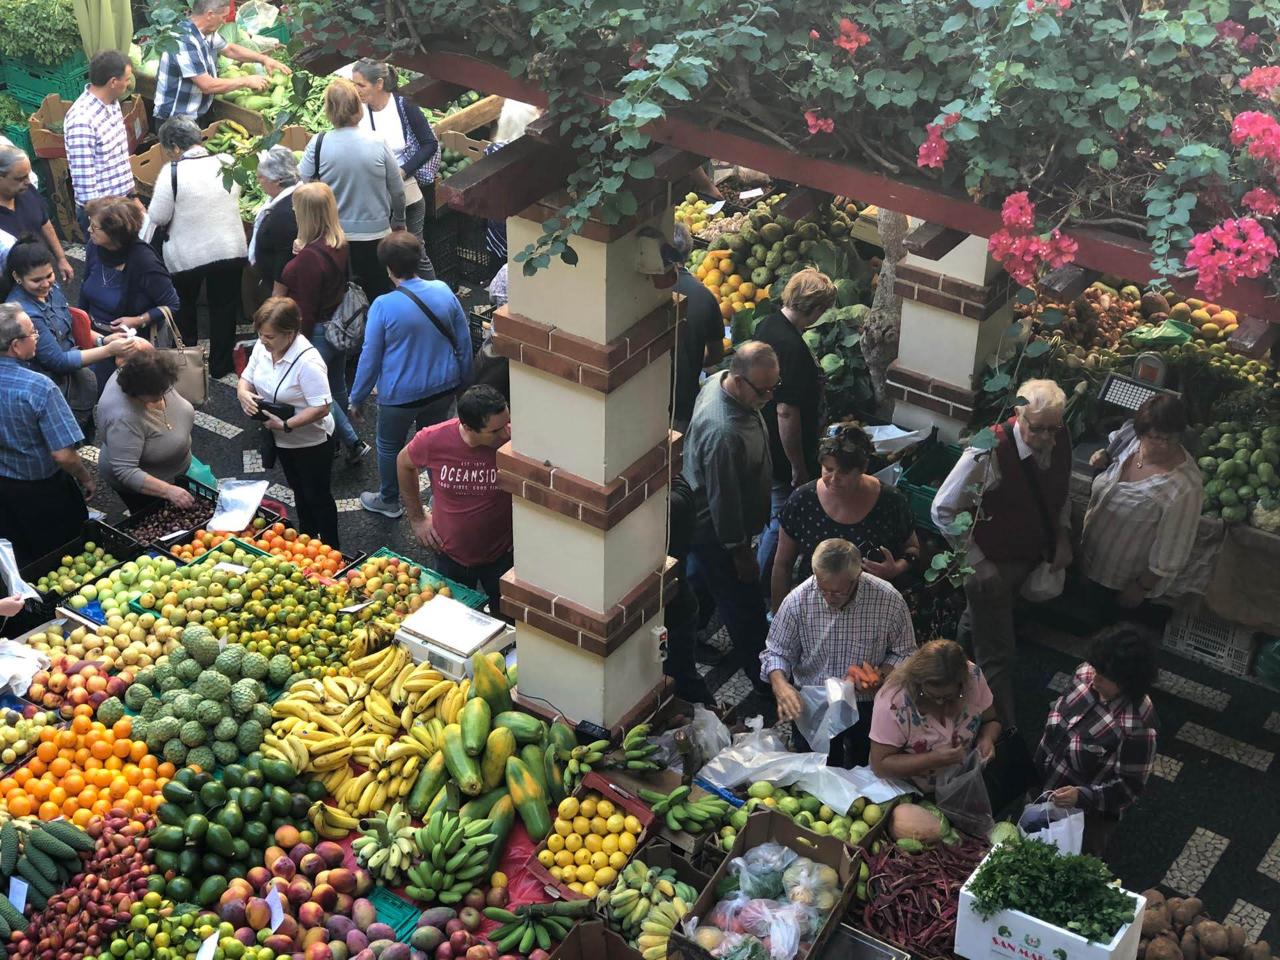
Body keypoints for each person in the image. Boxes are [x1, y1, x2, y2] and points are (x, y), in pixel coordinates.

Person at [931, 379, 1073, 730]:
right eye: (1037, 429)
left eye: (1054, 428)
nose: (1047, 438)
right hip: (990, 566)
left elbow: (1061, 491)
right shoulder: (988, 451)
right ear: (1017, 414)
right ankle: (1003, 730)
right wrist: (978, 565)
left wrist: (1063, 535)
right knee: (998, 653)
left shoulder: (1060, 436)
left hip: (1026, 557)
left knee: (979, 623)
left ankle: (941, 676)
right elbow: (943, 510)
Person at [763, 539, 917, 767]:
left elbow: (904, 652)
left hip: (866, 703)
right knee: (813, 769)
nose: (827, 597)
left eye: (837, 592)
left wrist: (881, 675)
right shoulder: (798, 600)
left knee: (865, 766)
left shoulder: (888, 600)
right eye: (822, 588)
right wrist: (781, 686)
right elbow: (776, 652)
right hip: (814, 701)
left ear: (856, 578)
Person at [352, 231, 473, 518]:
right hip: (444, 386)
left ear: (387, 267)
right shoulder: (443, 290)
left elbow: (370, 357)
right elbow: (464, 342)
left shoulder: (383, 305)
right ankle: (439, 498)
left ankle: (389, 499)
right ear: (419, 259)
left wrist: (356, 398)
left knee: (389, 444)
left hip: (399, 394)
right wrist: (465, 384)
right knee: (431, 442)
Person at [682, 341, 777, 695]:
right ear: (737, 379)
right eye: (762, 390)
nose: (768, 397)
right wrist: (741, 553)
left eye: (773, 387)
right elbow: (725, 501)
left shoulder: (720, 380)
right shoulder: (722, 432)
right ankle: (766, 679)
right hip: (718, 532)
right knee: (744, 607)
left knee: (698, 584)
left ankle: (686, 637)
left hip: (707, 522)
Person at [1035, 625, 1158, 858]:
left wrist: (1081, 796)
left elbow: (1128, 788)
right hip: (1044, 786)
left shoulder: (1139, 725)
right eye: (1095, 668)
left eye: (1104, 676)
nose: (1094, 679)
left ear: (1127, 682)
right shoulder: (1085, 674)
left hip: (1082, 816)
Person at [1083, 395, 1203, 627]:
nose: (1164, 445)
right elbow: (1110, 453)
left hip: (1124, 582)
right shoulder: (1130, 441)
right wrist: (1102, 457)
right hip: (1092, 560)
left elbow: (1173, 549)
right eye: (1155, 437)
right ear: (1141, 432)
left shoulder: (1185, 487)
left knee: (1112, 633)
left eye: (1171, 438)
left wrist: (1141, 587)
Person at [771, 424, 920, 609]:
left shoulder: (891, 502)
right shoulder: (803, 500)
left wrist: (896, 568)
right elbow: (783, 564)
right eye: (828, 469)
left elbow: (913, 549)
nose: (834, 479)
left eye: (844, 472)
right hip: (814, 607)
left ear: (863, 468)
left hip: (870, 607)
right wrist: (778, 614)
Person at [147, 116, 248, 379]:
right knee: (224, 307)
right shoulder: (227, 162)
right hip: (230, 247)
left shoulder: (172, 173)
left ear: (174, 147)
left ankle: (188, 364)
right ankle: (220, 365)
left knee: (185, 307)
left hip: (188, 256)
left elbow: (157, 216)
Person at [754, 269, 838, 585]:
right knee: (781, 519)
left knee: (771, 515)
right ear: (815, 309)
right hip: (781, 450)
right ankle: (762, 579)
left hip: (764, 438)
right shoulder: (792, 348)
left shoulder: (768, 324)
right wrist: (798, 466)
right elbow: (787, 413)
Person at [397, 385, 512, 615]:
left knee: (507, 620)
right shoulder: (433, 439)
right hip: (450, 557)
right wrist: (417, 519)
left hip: (503, 555)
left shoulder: (512, 439)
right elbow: (403, 462)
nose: (506, 433)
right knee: (454, 620)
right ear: (468, 427)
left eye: (507, 423)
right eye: (496, 430)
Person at [236, 298, 339, 546]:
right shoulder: (264, 349)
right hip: (281, 440)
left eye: (269, 336)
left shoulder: (308, 362)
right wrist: (243, 393)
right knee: (300, 494)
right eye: (260, 334)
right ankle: (307, 542)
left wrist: (287, 425)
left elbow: (322, 407)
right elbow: (246, 378)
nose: (262, 340)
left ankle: (332, 548)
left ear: (290, 333)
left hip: (311, 442)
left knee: (317, 496)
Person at [279, 182, 369, 463]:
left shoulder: (308, 260)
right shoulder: (338, 241)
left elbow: (304, 308)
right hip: (338, 326)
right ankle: (339, 440)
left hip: (317, 331)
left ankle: (352, 443)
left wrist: (296, 344)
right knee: (337, 384)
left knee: (320, 393)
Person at [6, 238, 136, 431]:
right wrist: (109, 350)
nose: (45, 284)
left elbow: (70, 326)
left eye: (49, 275)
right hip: (57, 391)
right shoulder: (25, 314)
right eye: (36, 280)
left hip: (76, 382)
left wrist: (102, 339)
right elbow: (57, 360)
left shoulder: (52, 290)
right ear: (17, 277)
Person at [0, 304, 95, 566]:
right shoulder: (39, 387)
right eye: (34, 334)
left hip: (4, 491)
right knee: (64, 558)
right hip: (44, 492)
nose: (37, 338)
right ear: (16, 346)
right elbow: (63, 454)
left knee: (20, 556)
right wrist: (85, 477)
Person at [300, 78, 406, 301]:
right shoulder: (378, 142)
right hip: (377, 234)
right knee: (379, 295)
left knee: (342, 299)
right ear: (358, 107)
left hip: (335, 236)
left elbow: (304, 185)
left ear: (329, 109)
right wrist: (398, 220)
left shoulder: (318, 143)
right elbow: (397, 189)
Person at [869, 639, 1001, 794]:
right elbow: (880, 765)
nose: (940, 703)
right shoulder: (893, 702)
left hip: (964, 784)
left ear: (962, 684)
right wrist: (934, 759)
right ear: (918, 683)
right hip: (911, 792)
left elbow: (991, 721)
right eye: (931, 695)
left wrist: (987, 739)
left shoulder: (973, 677)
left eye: (949, 696)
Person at [352, 59, 439, 280]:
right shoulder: (357, 111)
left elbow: (430, 143)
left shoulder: (404, 106)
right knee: (385, 252)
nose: (356, 90)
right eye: (354, 84)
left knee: (414, 250)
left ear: (379, 84)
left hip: (406, 189)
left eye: (361, 85)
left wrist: (402, 170)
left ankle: (434, 294)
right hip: (374, 195)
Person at [152, 0, 289, 124]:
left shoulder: (204, 32)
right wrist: (246, 81)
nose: (224, 21)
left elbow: (230, 49)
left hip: (195, 113)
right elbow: (207, 85)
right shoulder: (184, 40)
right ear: (210, 14)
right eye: (223, 17)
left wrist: (264, 59)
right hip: (175, 120)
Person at [96, 349, 197, 513]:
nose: (163, 395)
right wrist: (168, 491)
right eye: (156, 395)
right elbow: (126, 471)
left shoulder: (153, 374)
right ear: (136, 392)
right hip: (147, 491)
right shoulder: (124, 418)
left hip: (175, 472)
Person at [80, 196, 182, 339]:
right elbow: (85, 287)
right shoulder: (95, 247)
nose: (89, 229)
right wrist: (81, 325)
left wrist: (138, 320)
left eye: (95, 226)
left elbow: (172, 304)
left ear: (114, 232)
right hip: (95, 337)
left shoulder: (145, 261)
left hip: (132, 343)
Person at [64, 50, 137, 231]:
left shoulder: (112, 103)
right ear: (113, 82)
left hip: (121, 204)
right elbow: (86, 187)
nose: (129, 84)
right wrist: (104, 223)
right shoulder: (81, 120)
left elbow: (119, 159)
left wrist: (133, 198)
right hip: (103, 216)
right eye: (127, 79)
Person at [669, 223, 725, 434]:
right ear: (689, 251)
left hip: (646, 396)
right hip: (684, 400)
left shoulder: (648, 288)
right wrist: (691, 360)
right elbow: (716, 354)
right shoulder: (705, 297)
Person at [0, 147, 73, 284]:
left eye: (28, 175)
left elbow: (45, 223)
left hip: (42, 277)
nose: (28, 181)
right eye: (20, 178)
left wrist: (61, 259)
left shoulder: (27, 191)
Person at [248, 145, 300, 295]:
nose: (258, 181)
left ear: (278, 180)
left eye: (261, 177)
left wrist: (276, 298)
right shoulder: (278, 201)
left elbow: (284, 259)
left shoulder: (285, 213)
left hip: (282, 292)